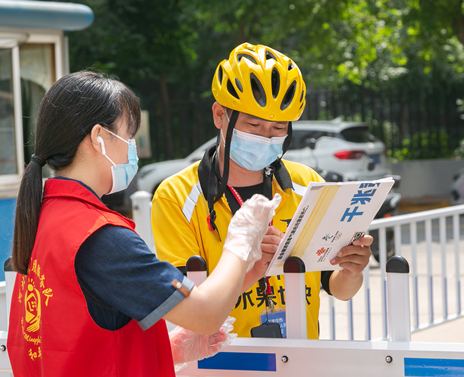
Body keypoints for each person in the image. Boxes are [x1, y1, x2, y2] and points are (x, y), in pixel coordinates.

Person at [6, 70, 281, 376]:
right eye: (128, 134)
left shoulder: (47, 218)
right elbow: (206, 315)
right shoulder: (101, 236)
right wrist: (241, 238)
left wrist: (170, 348)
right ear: (99, 138)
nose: (132, 146)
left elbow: (84, 335)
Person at [151, 42, 373, 339]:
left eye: (278, 128)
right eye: (253, 124)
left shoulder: (307, 183)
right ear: (220, 115)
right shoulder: (175, 196)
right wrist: (244, 261)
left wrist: (351, 271)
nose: (266, 137)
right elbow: (186, 306)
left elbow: (336, 287)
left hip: (301, 361)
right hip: (222, 363)